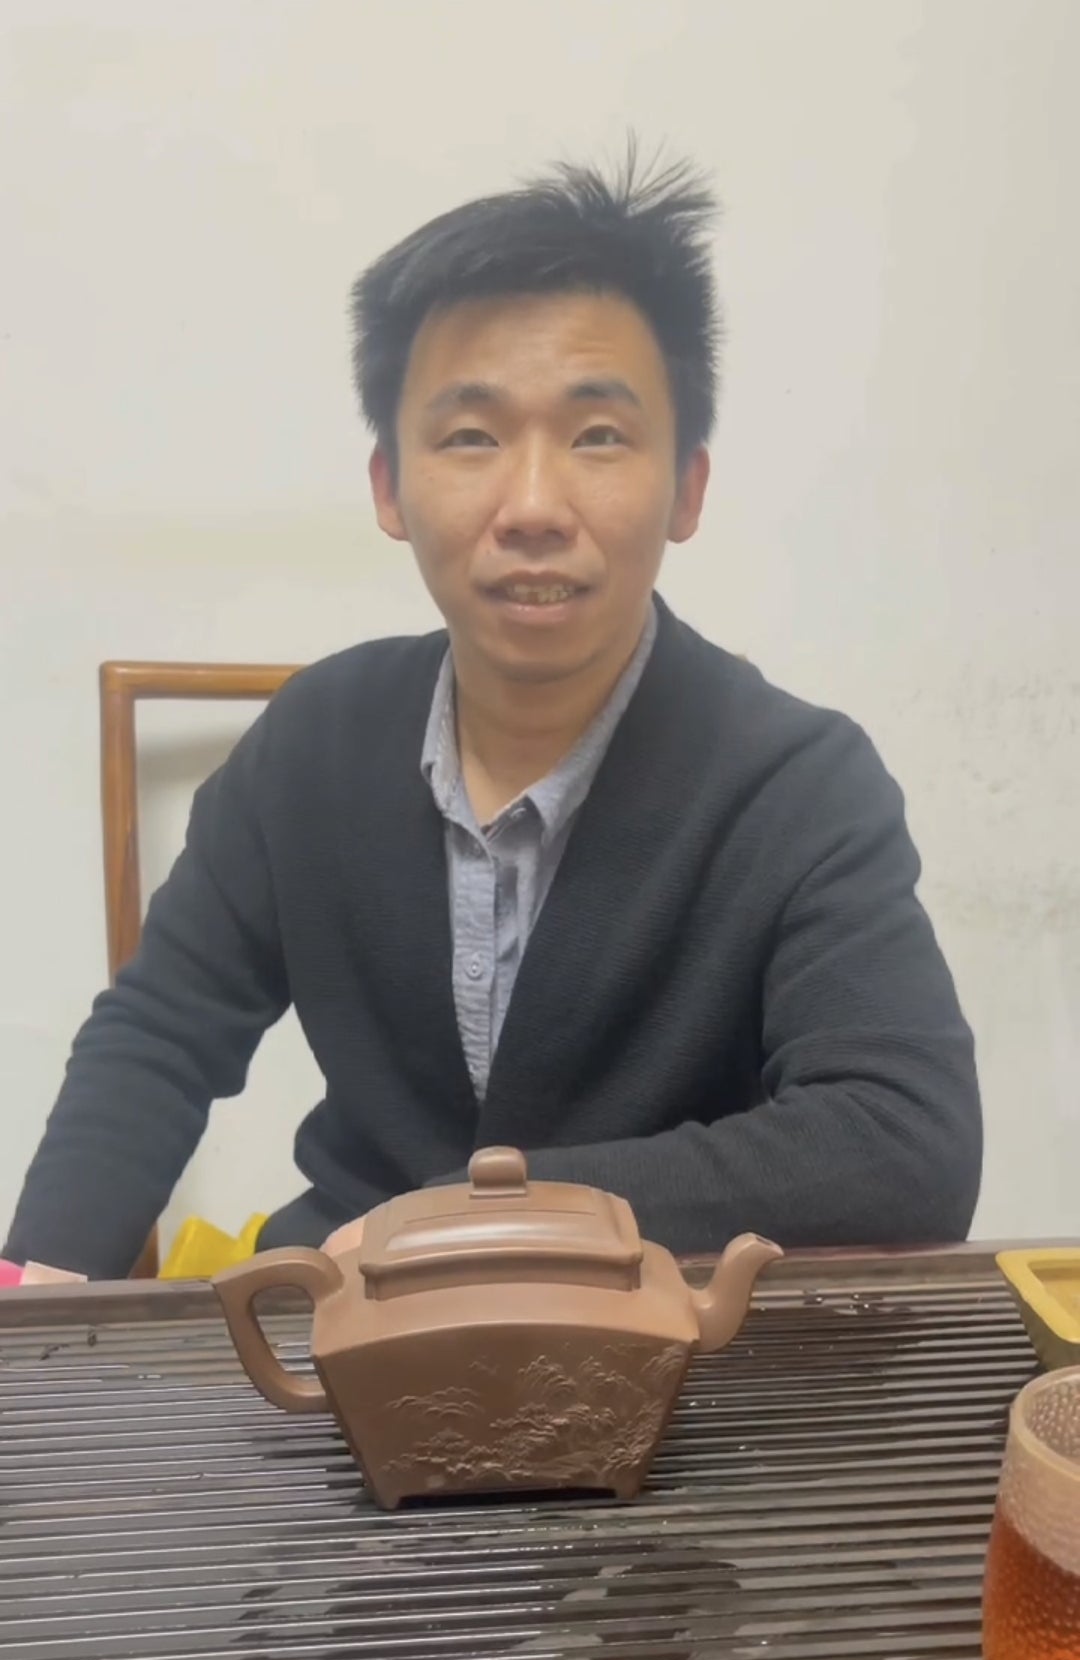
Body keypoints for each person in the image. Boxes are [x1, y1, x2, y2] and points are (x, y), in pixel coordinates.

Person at [4, 152, 981, 1282]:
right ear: (389, 485)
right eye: (472, 436)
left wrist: (478, 1224)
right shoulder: (313, 742)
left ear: (687, 487)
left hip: (665, 1337)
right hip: (350, 1322)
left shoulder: (798, 782)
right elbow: (160, 1037)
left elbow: (903, 1139)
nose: (532, 506)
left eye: (597, 435)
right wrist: (40, 1295)